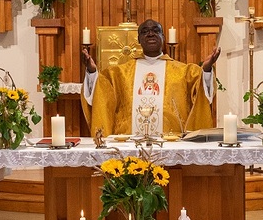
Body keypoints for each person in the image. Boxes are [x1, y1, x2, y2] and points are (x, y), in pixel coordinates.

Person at [80, 19, 219, 135]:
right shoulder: (118, 73)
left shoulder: (184, 72)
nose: (150, 34)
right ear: (138, 39)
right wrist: (92, 71)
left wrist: (206, 70)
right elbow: (101, 90)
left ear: (163, 37)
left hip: (171, 141)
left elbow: (201, 94)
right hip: (129, 141)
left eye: (155, 30)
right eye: (145, 31)